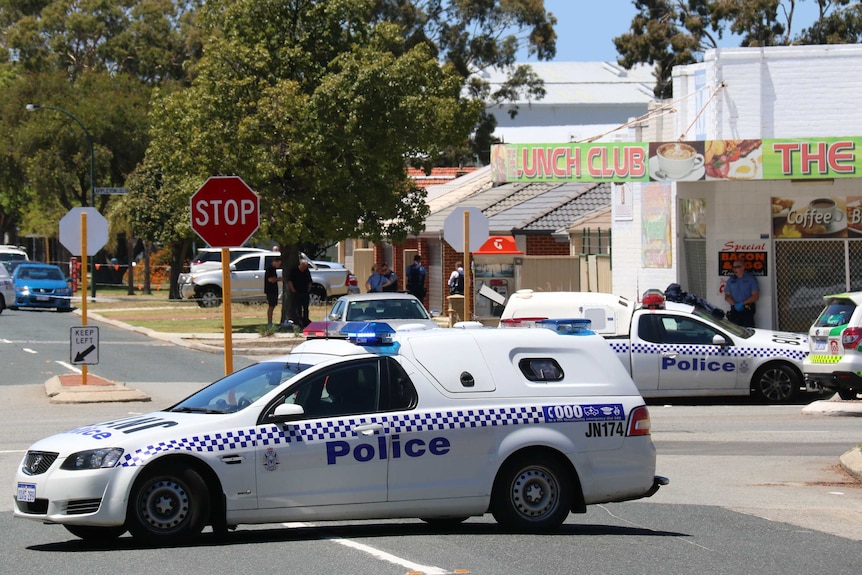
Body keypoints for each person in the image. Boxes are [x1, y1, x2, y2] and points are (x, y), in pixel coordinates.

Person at [724, 261, 759, 327]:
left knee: (748, 331)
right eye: (733, 267)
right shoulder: (731, 280)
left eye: (737, 267)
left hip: (747, 309)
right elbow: (727, 296)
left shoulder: (751, 279)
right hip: (735, 310)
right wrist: (734, 304)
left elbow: (755, 296)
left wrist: (742, 303)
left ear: (743, 267)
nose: (735, 269)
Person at [288, 259, 313, 328]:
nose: (304, 268)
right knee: (298, 308)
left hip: (305, 292)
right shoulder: (294, 271)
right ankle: (299, 322)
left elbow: (309, 281)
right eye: (303, 266)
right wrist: (293, 290)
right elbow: (290, 281)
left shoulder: (307, 271)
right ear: (301, 265)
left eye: (305, 267)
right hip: (297, 292)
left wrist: (308, 289)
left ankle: (306, 321)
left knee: (305, 308)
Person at [264, 256, 281, 326]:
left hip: (274, 290)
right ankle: (269, 322)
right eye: (279, 264)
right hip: (270, 290)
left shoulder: (273, 269)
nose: (279, 265)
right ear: (275, 262)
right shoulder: (270, 269)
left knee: (273, 306)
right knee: (271, 306)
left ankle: (270, 322)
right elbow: (270, 279)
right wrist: (278, 279)